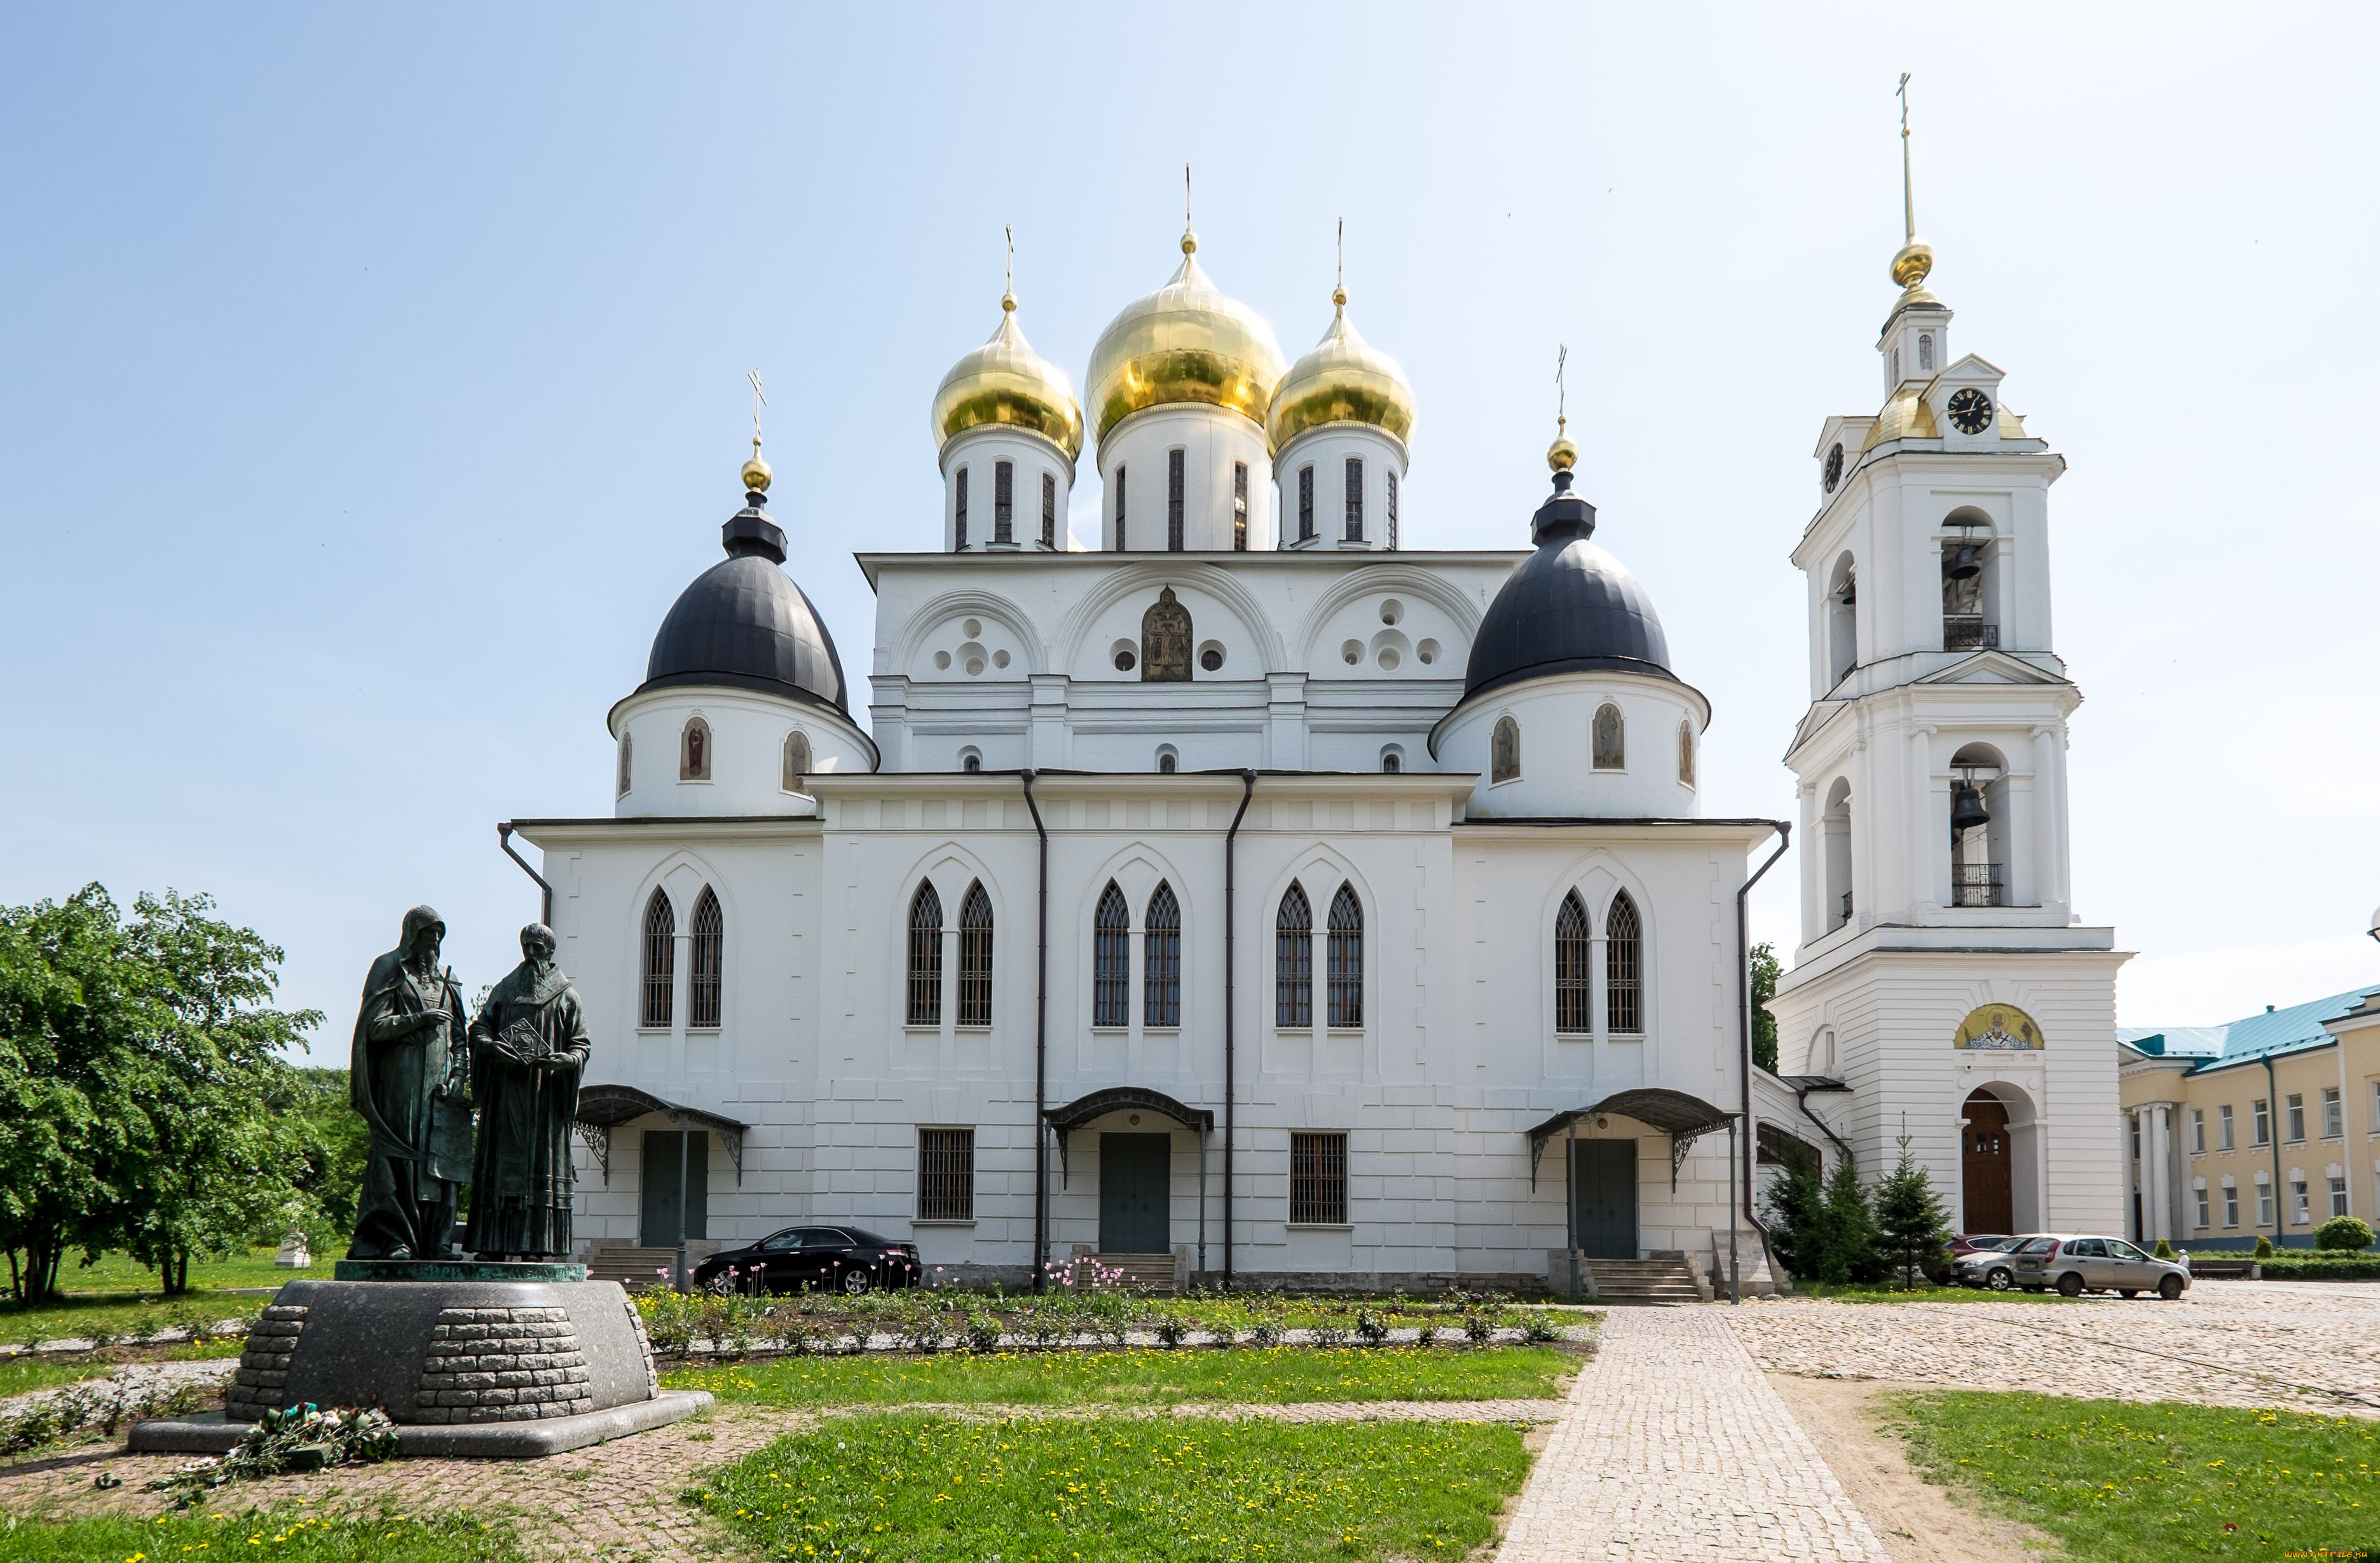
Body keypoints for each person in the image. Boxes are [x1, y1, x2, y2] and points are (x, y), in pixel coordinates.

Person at [346, 906, 470, 1260]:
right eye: (427, 934)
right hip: (401, 1081)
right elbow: (373, 1027)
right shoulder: (390, 969)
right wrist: (417, 1019)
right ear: (411, 936)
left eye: (438, 935)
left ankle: (438, 1242)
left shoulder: (449, 978)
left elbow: (460, 1037)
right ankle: (397, 1240)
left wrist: (460, 1075)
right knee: (401, 1158)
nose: (433, 942)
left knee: (442, 1162)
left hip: (440, 1086)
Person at [463, 922, 591, 1259]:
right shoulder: (506, 989)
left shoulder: (566, 996)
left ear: (550, 951)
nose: (531, 953)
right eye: (526, 946)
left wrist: (566, 1060)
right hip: (507, 1096)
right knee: (501, 1170)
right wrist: (489, 1046)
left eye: (537, 947)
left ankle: (537, 1245)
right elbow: (479, 1027)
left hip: (543, 1098)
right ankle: (494, 1245)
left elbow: (581, 1044)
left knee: (540, 1170)